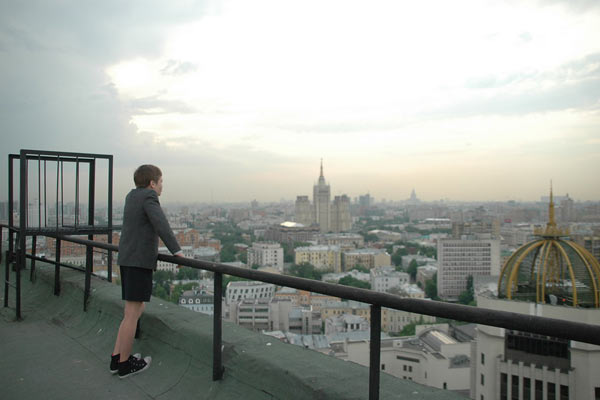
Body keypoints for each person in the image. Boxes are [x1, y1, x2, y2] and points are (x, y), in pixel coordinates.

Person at [110, 164, 184, 378]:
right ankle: (125, 364)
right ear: (152, 183)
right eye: (160, 182)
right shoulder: (149, 197)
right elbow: (161, 225)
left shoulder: (132, 196)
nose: (162, 187)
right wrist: (177, 251)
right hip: (139, 261)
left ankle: (117, 358)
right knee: (132, 314)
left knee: (133, 310)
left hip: (127, 259)